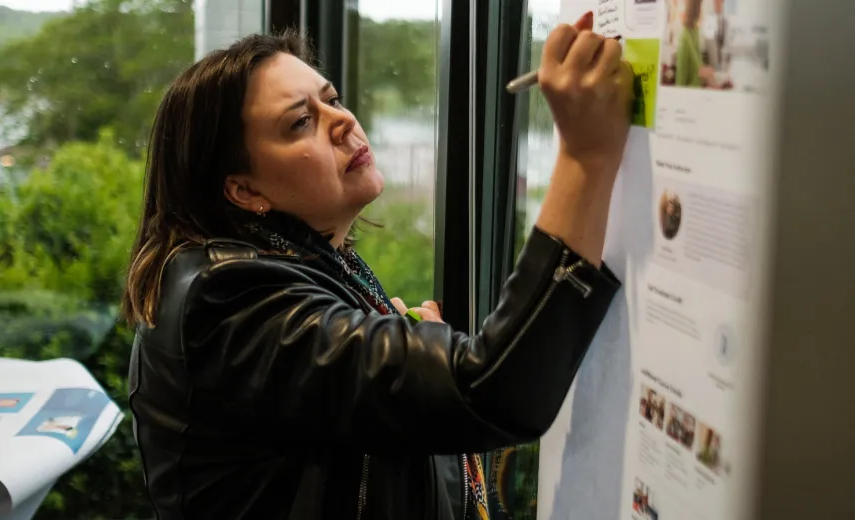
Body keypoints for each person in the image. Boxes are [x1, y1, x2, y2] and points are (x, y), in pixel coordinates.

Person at [125, 10, 633, 520]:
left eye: (331, 100)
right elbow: (496, 392)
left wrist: (416, 370)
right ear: (244, 189)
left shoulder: (305, 263)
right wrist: (585, 158)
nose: (342, 121)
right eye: (301, 122)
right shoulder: (230, 298)